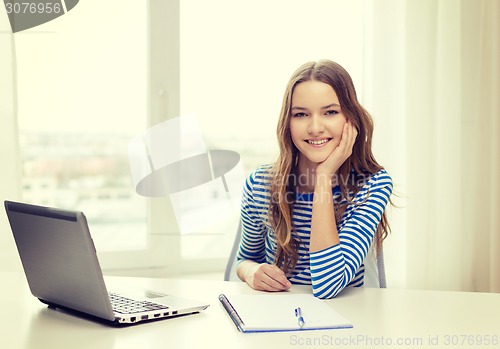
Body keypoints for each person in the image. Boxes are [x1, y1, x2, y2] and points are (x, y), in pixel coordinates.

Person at [235, 60, 393, 299]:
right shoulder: (260, 184)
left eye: (330, 112)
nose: (315, 127)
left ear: (350, 118)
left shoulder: (372, 185)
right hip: (275, 321)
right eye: (300, 114)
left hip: (345, 322)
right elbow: (244, 259)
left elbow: (327, 285)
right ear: (287, 123)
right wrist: (251, 271)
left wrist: (323, 177)